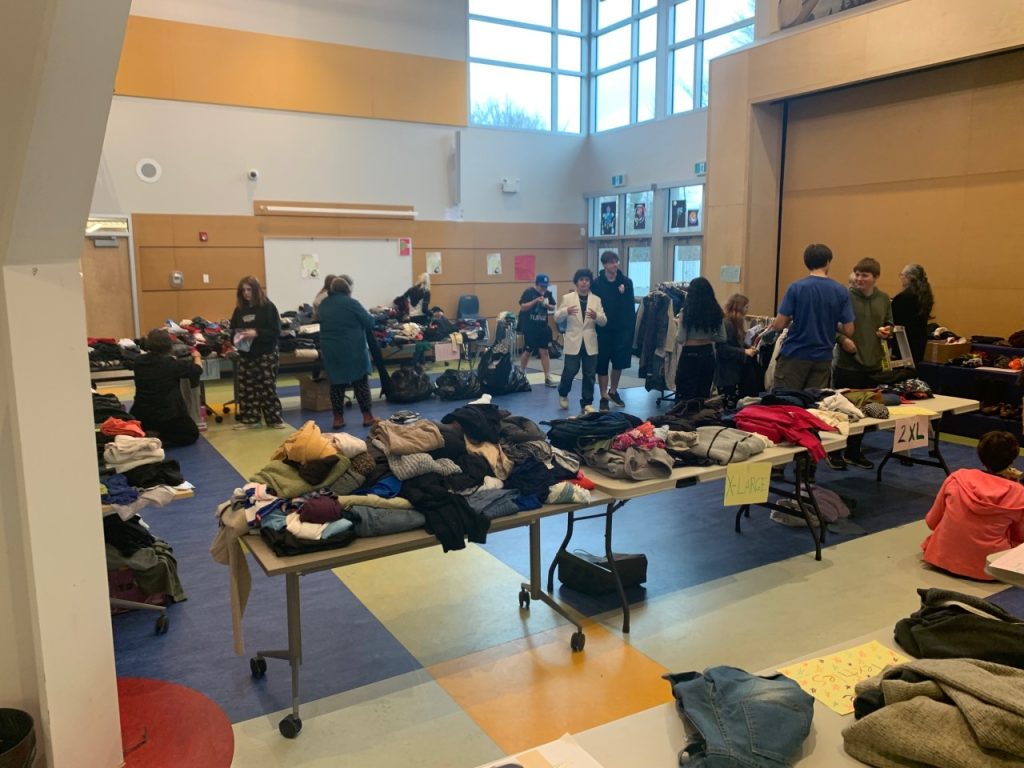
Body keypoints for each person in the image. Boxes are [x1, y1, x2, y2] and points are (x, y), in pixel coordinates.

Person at [921, 430, 1024, 581]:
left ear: (981, 456)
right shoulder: (1019, 493)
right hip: (990, 568)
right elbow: (1020, 537)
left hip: (940, 558)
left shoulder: (957, 478)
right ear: (1012, 460)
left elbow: (932, 522)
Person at [829, 257, 893, 470]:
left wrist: (887, 331)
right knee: (841, 411)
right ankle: (834, 452)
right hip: (848, 364)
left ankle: (854, 451)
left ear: (875, 277)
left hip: (872, 362)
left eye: (864, 275)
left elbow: (889, 323)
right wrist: (842, 340)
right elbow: (830, 325)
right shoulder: (844, 297)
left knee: (865, 411)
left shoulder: (883, 299)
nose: (859, 279)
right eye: (857, 274)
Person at [770, 243, 855, 391]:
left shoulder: (796, 288)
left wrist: (792, 317)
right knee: (813, 401)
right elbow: (849, 330)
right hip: (823, 357)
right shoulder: (841, 290)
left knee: (785, 400)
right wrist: (831, 322)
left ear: (806, 263)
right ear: (828, 262)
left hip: (795, 354)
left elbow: (778, 325)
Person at [318, 276, 378, 429]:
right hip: (353, 348)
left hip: (331, 349)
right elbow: (369, 322)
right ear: (347, 289)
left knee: (336, 384)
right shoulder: (351, 303)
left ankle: (338, 418)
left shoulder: (323, 304)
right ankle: (367, 416)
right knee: (360, 382)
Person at [129, 328, 203, 446]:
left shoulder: (138, 362)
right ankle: (160, 436)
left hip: (142, 414)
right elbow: (197, 370)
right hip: (167, 415)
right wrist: (197, 357)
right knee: (192, 434)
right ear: (169, 345)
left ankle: (148, 433)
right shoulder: (171, 364)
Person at [230, 275, 286, 429]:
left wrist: (257, 333)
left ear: (256, 290)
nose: (246, 293)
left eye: (249, 290)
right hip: (246, 354)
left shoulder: (268, 307)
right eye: (243, 291)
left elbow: (275, 331)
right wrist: (237, 337)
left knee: (267, 387)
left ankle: (274, 419)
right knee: (247, 388)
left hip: (266, 353)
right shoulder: (239, 310)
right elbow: (232, 330)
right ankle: (250, 419)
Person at [555, 268, 607, 413]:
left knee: (590, 374)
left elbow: (604, 321)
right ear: (576, 282)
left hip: (590, 341)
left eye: (587, 280)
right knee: (570, 370)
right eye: (581, 280)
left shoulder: (596, 300)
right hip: (573, 340)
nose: (584, 283)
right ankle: (563, 392)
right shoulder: (568, 298)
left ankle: (587, 402)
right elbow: (557, 317)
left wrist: (597, 316)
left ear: (590, 283)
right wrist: (566, 311)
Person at [591, 251, 636, 411]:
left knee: (618, 362)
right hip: (603, 330)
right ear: (604, 264)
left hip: (621, 330)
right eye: (611, 262)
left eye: (616, 261)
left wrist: (630, 329)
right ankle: (603, 396)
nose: (615, 264)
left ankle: (613, 391)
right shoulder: (596, 283)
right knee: (602, 363)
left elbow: (630, 306)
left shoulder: (626, 282)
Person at [675, 277, 726, 400]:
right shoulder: (716, 311)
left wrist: (677, 324)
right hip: (708, 353)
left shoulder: (686, 312)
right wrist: (708, 336)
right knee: (703, 393)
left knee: (686, 393)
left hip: (690, 354)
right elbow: (723, 337)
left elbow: (680, 338)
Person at [716, 293, 760, 408]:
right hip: (727, 375)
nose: (747, 310)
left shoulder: (733, 323)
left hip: (732, 373)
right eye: (746, 307)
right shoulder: (728, 324)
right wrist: (744, 351)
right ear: (739, 307)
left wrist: (747, 348)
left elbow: (734, 343)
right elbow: (722, 349)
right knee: (730, 407)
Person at [517, 273, 557, 388]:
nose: (544, 289)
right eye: (542, 286)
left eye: (546, 286)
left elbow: (553, 306)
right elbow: (523, 307)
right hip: (530, 326)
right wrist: (535, 301)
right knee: (528, 350)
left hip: (542, 326)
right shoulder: (529, 292)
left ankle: (547, 377)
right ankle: (521, 374)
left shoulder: (548, 293)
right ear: (537, 284)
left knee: (544, 351)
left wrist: (547, 306)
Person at [892, 263, 934, 364]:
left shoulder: (902, 298)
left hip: (903, 343)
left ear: (909, 277)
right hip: (920, 341)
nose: (901, 278)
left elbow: (894, 321)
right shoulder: (925, 296)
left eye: (902, 275)